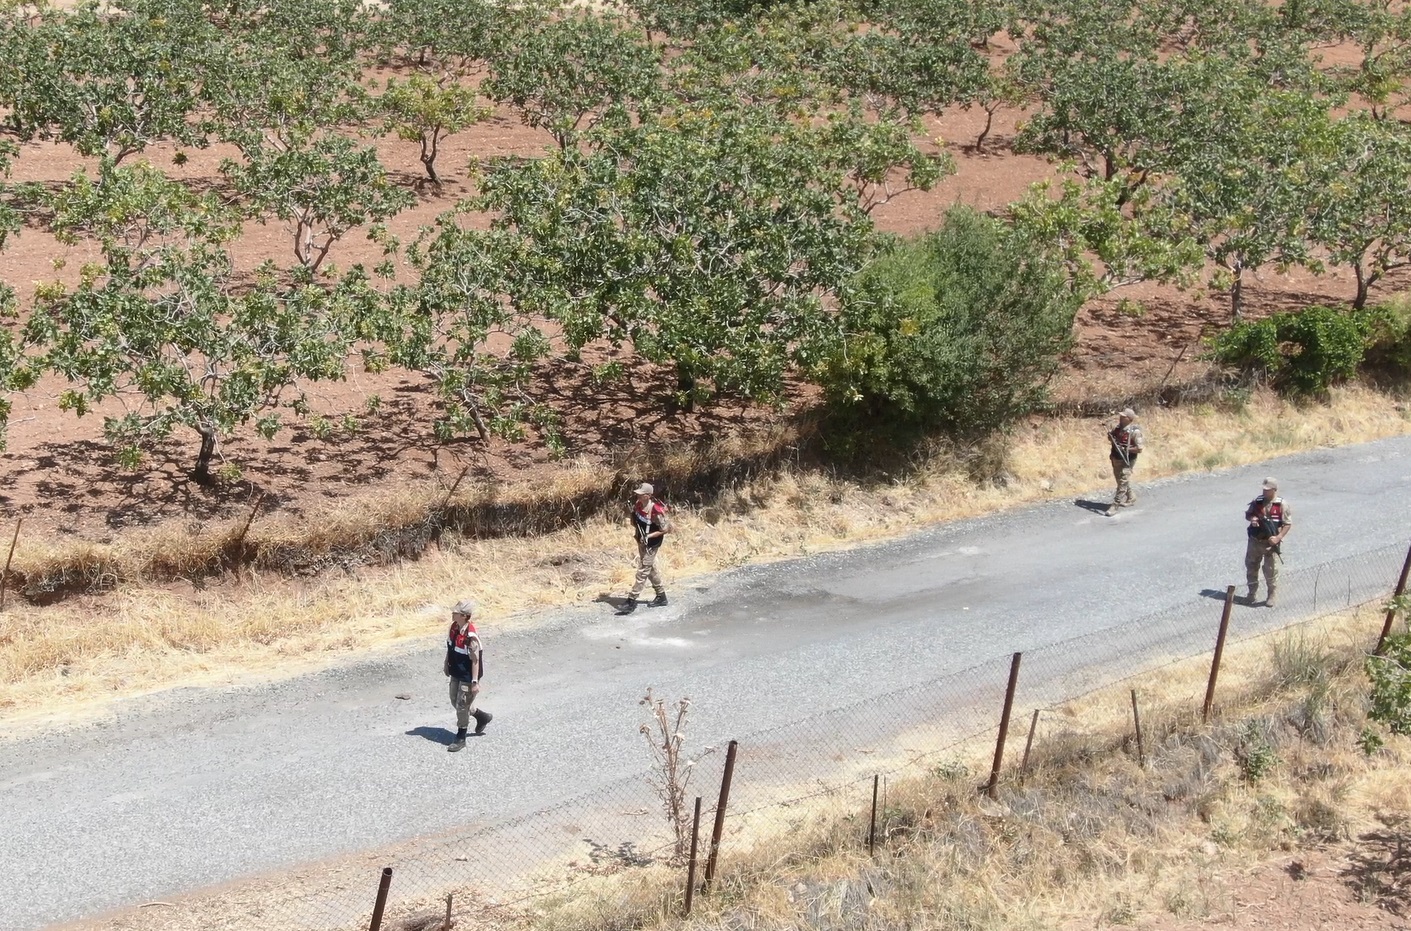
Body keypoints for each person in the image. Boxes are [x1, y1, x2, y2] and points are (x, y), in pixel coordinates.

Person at [444, 599, 492, 752]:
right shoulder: (454, 628)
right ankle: (481, 716)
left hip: (467, 676)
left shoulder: (470, 637)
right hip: (456, 671)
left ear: (464, 616)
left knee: (461, 706)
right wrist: (446, 664)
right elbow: (450, 647)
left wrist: (474, 682)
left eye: (456, 612)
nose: (453, 614)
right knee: (455, 701)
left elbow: (475, 660)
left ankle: (461, 736)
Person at [618, 482, 671, 615]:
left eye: (641, 494)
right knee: (649, 569)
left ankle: (631, 601)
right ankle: (661, 596)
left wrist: (649, 536)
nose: (638, 496)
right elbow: (635, 520)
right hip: (641, 542)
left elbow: (665, 529)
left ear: (648, 496)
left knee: (642, 571)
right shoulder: (638, 506)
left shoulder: (656, 510)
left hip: (651, 545)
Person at [1244, 477, 1292, 608]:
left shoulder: (1282, 504)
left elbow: (1287, 524)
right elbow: (1248, 515)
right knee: (1251, 567)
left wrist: (1278, 537)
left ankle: (1271, 595)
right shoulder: (1257, 501)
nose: (1264, 492)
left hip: (1271, 543)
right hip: (1255, 541)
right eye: (1263, 489)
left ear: (1274, 490)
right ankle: (1251, 593)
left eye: (1267, 490)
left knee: (1270, 571)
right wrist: (1253, 518)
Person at [1105, 408, 1145, 516]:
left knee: (1122, 481)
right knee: (1120, 480)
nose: (1120, 418)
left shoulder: (1135, 432)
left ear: (1129, 419)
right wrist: (1110, 436)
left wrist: (1126, 449)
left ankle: (1115, 505)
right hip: (1115, 458)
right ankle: (1131, 497)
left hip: (1128, 460)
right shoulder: (1118, 428)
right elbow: (1113, 439)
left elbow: (1139, 448)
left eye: (1123, 416)